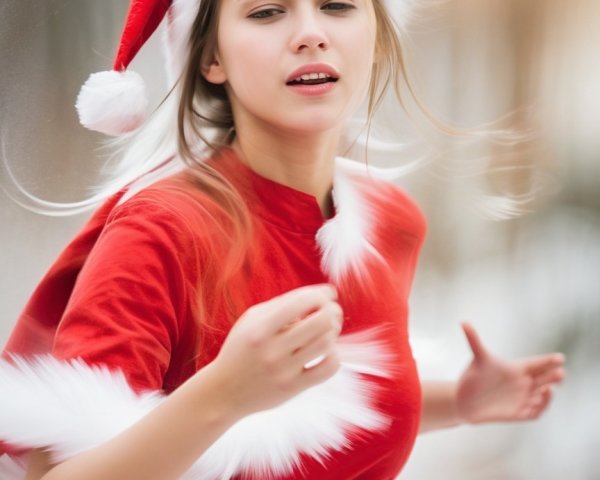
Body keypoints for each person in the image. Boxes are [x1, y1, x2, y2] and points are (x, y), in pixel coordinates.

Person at [0, 1, 565, 479]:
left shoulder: (389, 222)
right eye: (268, 11)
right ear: (210, 57)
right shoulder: (160, 231)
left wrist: (457, 402)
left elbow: (331, 405)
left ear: (378, 34)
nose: (311, 34)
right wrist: (223, 394)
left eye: (338, 5)